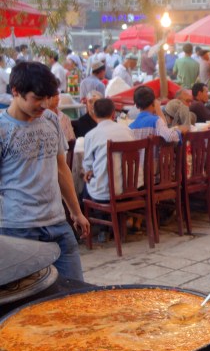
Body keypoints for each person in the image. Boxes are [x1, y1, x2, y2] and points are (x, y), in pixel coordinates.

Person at [0, 62, 90, 279]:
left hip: (57, 224)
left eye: (47, 98)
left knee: (75, 294)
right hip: (18, 230)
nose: (44, 104)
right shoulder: (3, 130)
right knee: (31, 302)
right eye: (37, 98)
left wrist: (76, 212)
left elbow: (61, 168)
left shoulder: (50, 118)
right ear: (16, 92)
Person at [82, 98, 136, 202]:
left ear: (94, 113)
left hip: (104, 193)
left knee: (86, 185)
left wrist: (89, 170)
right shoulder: (128, 131)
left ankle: (90, 216)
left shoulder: (90, 135)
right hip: (131, 189)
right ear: (113, 113)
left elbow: (88, 166)